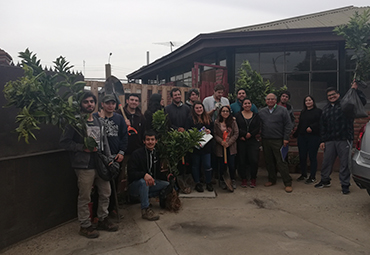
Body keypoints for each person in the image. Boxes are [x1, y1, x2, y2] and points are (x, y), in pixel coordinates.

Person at [60, 91, 118, 239]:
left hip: (100, 164)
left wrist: (109, 159)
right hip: (84, 166)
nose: (89, 104)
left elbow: (104, 142)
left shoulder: (99, 121)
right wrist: (82, 148)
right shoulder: (74, 123)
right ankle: (85, 225)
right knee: (85, 197)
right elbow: (65, 142)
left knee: (106, 192)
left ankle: (102, 219)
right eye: (86, 102)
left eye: (92, 101)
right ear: (81, 104)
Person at [315, 82, 367, 194]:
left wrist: (356, 90)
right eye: (329, 96)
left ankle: (345, 184)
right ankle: (325, 180)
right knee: (326, 162)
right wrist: (322, 140)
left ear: (338, 94)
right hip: (329, 140)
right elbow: (322, 126)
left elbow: (361, 102)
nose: (331, 97)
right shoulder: (325, 109)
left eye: (333, 94)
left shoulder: (346, 104)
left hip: (344, 139)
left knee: (344, 164)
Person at [93, 94, 128, 217]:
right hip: (102, 158)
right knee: (101, 187)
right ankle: (99, 213)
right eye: (108, 103)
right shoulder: (95, 117)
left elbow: (124, 136)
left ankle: (112, 209)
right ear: (102, 104)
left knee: (114, 185)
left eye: (113, 103)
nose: (110, 106)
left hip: (116, 157)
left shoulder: (119, 118)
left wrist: (121, 152)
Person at [127, 130, 170, 221]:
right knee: (144, 182)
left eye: (152, 139)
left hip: (150, 184)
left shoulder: (156, 154)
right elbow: (131, 173)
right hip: (136, 186)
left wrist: (168, 177)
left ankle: (145, 197)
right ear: (144, 141)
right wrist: (143, 175)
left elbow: (157, 173)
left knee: (167, 185)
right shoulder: (137, 154)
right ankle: (145, 209)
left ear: (156, 141)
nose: (150, 142)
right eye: (148, 140)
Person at [259, 93, 293, 193]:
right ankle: (272, 180)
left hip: (279, 140)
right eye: (268, 99)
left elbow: (288, 125)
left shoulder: (283, 110)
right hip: (265, 140)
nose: (270, 101)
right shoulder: (262, 112)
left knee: (281, 161)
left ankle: (287, 183)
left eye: (272, 99)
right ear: (265, 100)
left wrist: (286, 138)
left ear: (275, 100)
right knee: (269, 161)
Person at [118, 93, 146, 195]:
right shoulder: (119, 115)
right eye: (132, 100)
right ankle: (119, 195)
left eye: (136, 100)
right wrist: (122, 123)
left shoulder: (141, 117)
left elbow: (143, 133)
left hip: (136, 150)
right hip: (122, 150)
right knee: (120, 174)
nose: (133, 102)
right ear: (127, 101)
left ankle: (132, 195)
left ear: (138, 103)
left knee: (134, 174)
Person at [185, 101, 214, 192]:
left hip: (206, 147)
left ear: (203, 108)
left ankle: (208, 182)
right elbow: (187, 130)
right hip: (195, 147)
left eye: (200, 108)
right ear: (194, 109)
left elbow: (213, 129)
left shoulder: (208, 118)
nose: (199, 109)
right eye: (197, 108)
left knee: (207, 165)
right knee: (195, 165)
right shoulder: (190, 119)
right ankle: (197, 183)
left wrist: (210, 131)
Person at [293, 95, 322, 184]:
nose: (308, 102)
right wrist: (295, 134)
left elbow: (320, 123)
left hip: (313, 137)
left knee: (312, 156)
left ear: (313, 101)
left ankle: (312, 176)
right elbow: (301, 124)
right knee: (302, 156)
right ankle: (303, 174)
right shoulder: (303, 112)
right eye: (306, 101)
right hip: (302, 137)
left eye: (310, 100)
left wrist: (312, 127)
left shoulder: (318, 111)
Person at [235, 98, 261, 188]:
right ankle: (244, 179)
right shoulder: (238, 115)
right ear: (242, 105)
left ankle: (253, 179)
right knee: (242, 160)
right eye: (245, 103)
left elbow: (258, 127)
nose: (247, 105)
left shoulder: (256, 116)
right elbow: (236, 127)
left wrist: (251, 134)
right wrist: (243, 134)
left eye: (249, 103)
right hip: (241, 140)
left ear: (251, 105)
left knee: (254, 160)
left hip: (253, 141)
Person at [214, 105, 239, 190]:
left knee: (231, 165)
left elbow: (236, 133)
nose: (225, 113)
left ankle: (232, 179)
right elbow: (215, 134)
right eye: (223, 111)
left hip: (230, 146)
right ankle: (222, 180)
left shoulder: (233, 122)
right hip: (221, 147)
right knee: (222, 165)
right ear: (220, 113)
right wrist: (221, 142)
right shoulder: (216, 122)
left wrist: (229, 142)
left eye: (227, 111)